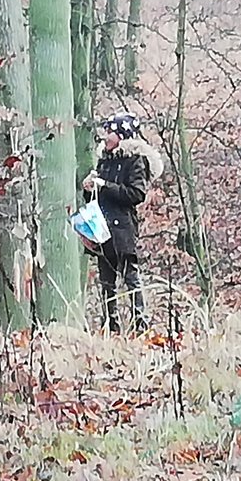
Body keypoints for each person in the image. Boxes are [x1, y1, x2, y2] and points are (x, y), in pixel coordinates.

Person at [82, 113, 164, 334]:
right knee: (106, 281)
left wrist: (104, 185)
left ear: (122, 135)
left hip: (123, 228)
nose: (105, 136)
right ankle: (111, 326)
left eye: (110, 132)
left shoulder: (135, 160)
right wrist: (89, 189)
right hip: (101, 227)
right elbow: (95, 198)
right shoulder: (105, 160)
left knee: (130, 277)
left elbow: (136, 194)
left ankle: (140, 324)